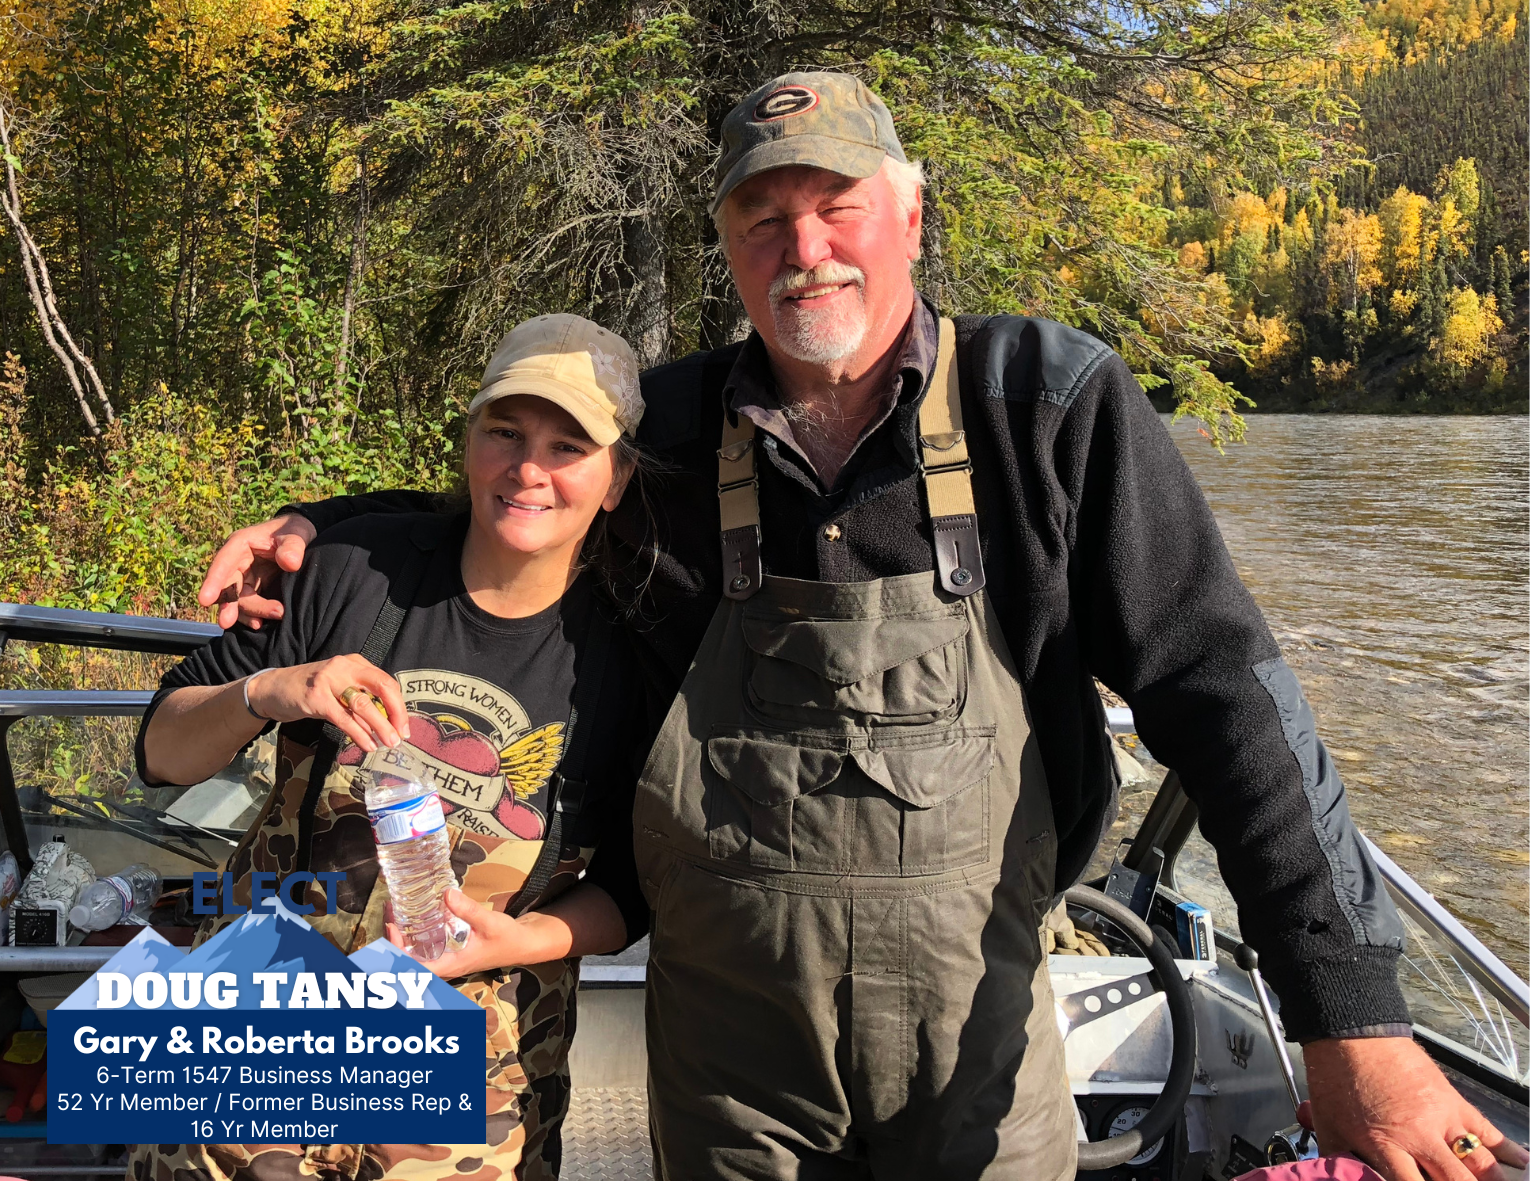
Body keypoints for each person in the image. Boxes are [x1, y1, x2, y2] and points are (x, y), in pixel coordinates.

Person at [193, 73, 1530, 1181]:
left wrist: (1345, 1011)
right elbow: (517, 487)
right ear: (724, 244)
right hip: (726, 1046)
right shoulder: (662, 427)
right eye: (761, 218)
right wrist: (322, 524)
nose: (804, 247)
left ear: (906, 212)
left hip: (977, 1033)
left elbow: (1220, 692)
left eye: (834, 206)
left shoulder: (1044, 404)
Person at [129, 314, 652, 1181]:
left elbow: (637, 884)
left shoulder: (631, 654)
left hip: (469, 1072)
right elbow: (163, 751)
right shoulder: (350, 570)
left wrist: (518, 943)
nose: (528, 469)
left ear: (617, 478)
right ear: (469, 440)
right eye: (505, 432)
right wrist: (269, 690)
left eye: (569, 445)